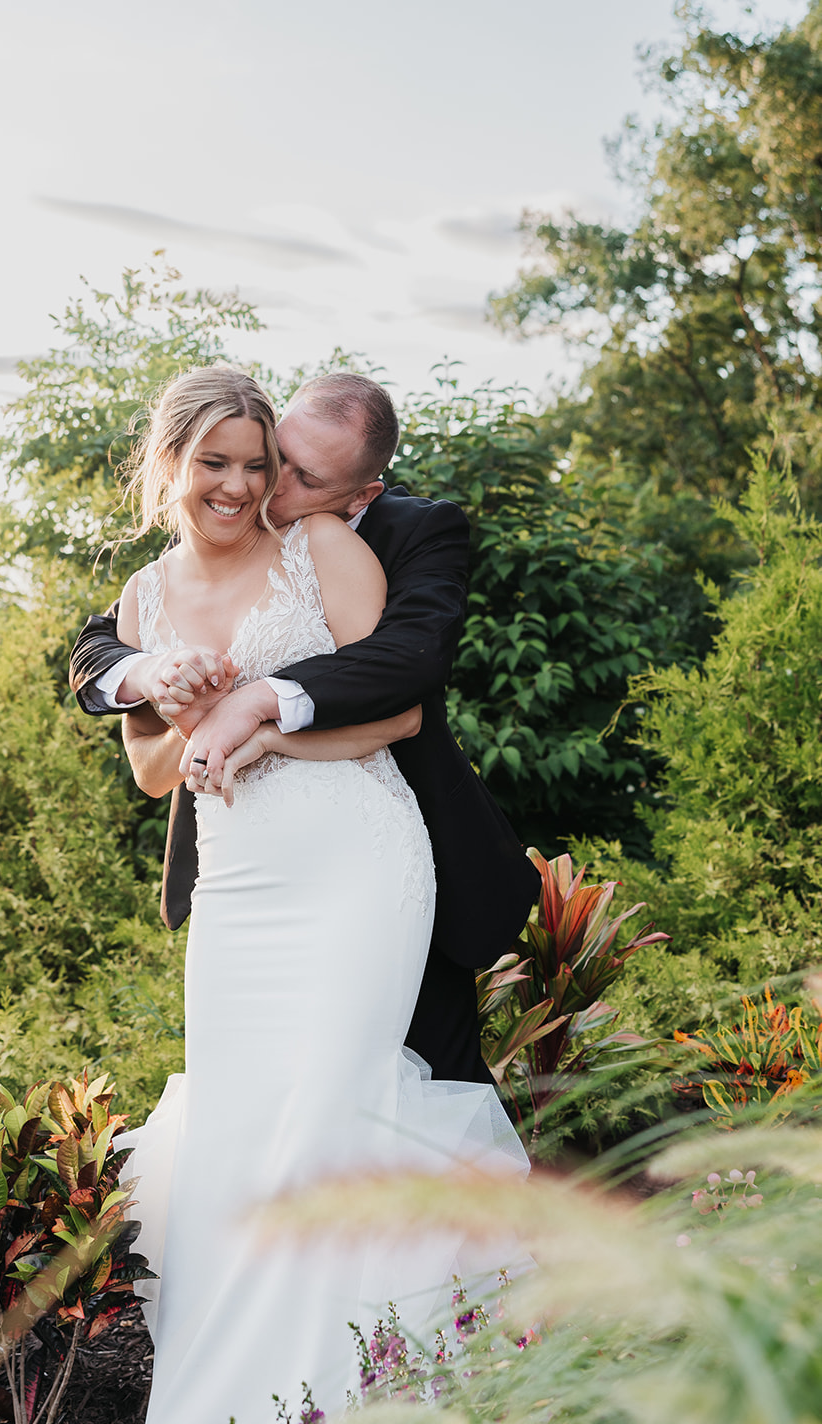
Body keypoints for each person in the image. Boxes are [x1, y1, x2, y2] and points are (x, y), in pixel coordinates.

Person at [87, 365, 530, 1424]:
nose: (252, 485)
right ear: (172, 463)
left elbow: (397, 707)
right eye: (225, 463)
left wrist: (260, 724)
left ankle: (355, 1413)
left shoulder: (329, 547)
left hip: (353, 866)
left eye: (265, 466)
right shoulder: (138, 601)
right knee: (238, 1128)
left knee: (333, 1112)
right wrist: (175, 701)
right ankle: (223, 1417)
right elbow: (150, 772)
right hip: (235, 893)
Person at [71, 371, 541, 1085]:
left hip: (370, 849)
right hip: (239, 873)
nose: (260, 484)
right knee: (249, 1093)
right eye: (268, 455)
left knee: (406, 1085)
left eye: (285, 471)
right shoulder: (151, 584)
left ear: (360, 495)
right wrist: (168, 695)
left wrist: (254, 710)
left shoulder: (382, 536)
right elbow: (126, 712)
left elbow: (404, 672)